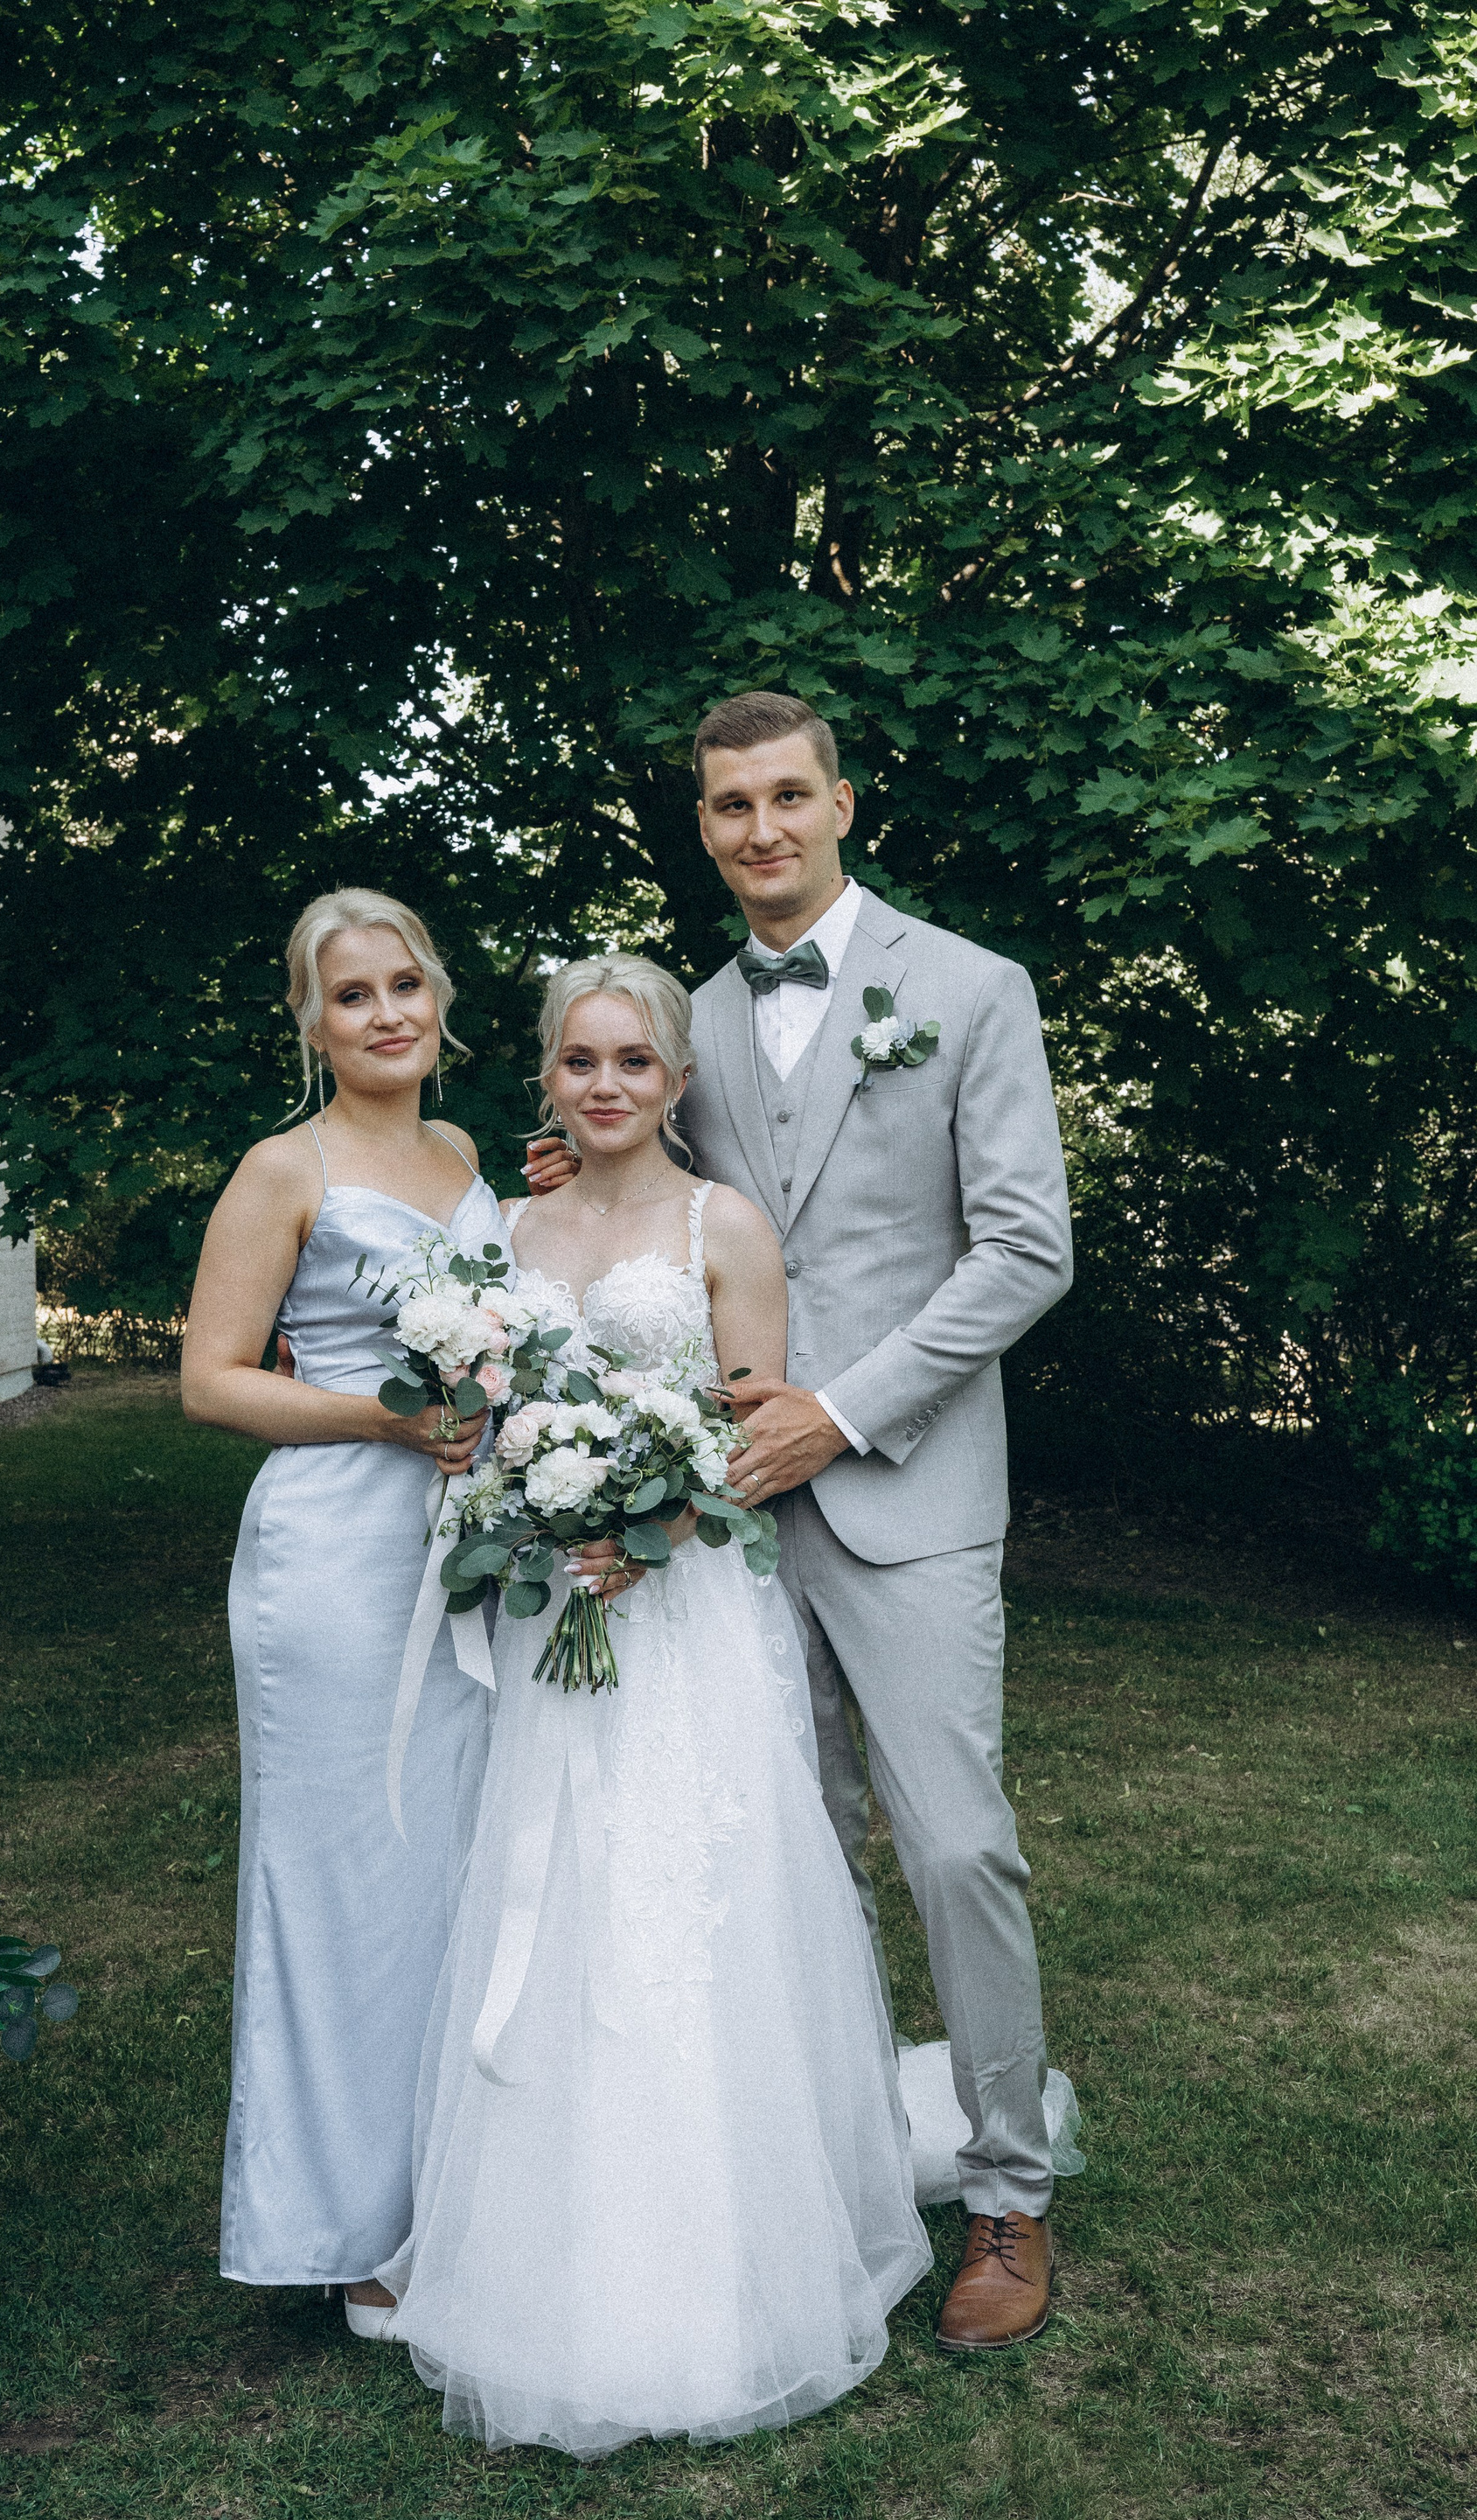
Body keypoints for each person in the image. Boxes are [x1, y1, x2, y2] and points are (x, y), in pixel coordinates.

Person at [526, 691, 1074, 2351]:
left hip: (905, 1490)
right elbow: (663, 1204)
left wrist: (840, 1408)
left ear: (841, 802)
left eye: (785, 796)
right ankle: (814, 2171)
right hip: (724, 1526)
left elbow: (1025, 1250)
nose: (759, 828)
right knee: (779, 1850)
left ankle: (1007, 2193)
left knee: (955, 1844)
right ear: (703, 828)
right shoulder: (679, 1020)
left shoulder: (970, 988)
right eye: (728, 806)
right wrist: (580, 1171)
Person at [377, 955, 932, 2455]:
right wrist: (524, 1500)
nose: (606, 1084)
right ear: (547, 1077)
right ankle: (544, 2259)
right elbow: (481, 1408)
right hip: (556, 1615)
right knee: (558, 1898)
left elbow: (753, 1438)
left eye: (634, 1061)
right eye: (581, 1060)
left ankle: (728, 2270)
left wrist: (652, 1525)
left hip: (685, 1623)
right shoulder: (507, 1231)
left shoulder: (721, 1225)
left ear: (678, 1081)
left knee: (692, 1909)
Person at [181, 888, 504, 2331]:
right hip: (330, 1557)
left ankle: (442, 2192)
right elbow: (210, 1380)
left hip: (463, 1549)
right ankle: (346, 2231)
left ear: (439, 999)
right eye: (351, 993)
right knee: (339, 1883)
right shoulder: (282, 1167)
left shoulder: (467, 1153)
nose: (385, 1013)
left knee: (447, 1873)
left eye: (404, 984)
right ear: (310, 1023)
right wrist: (381, 1417)